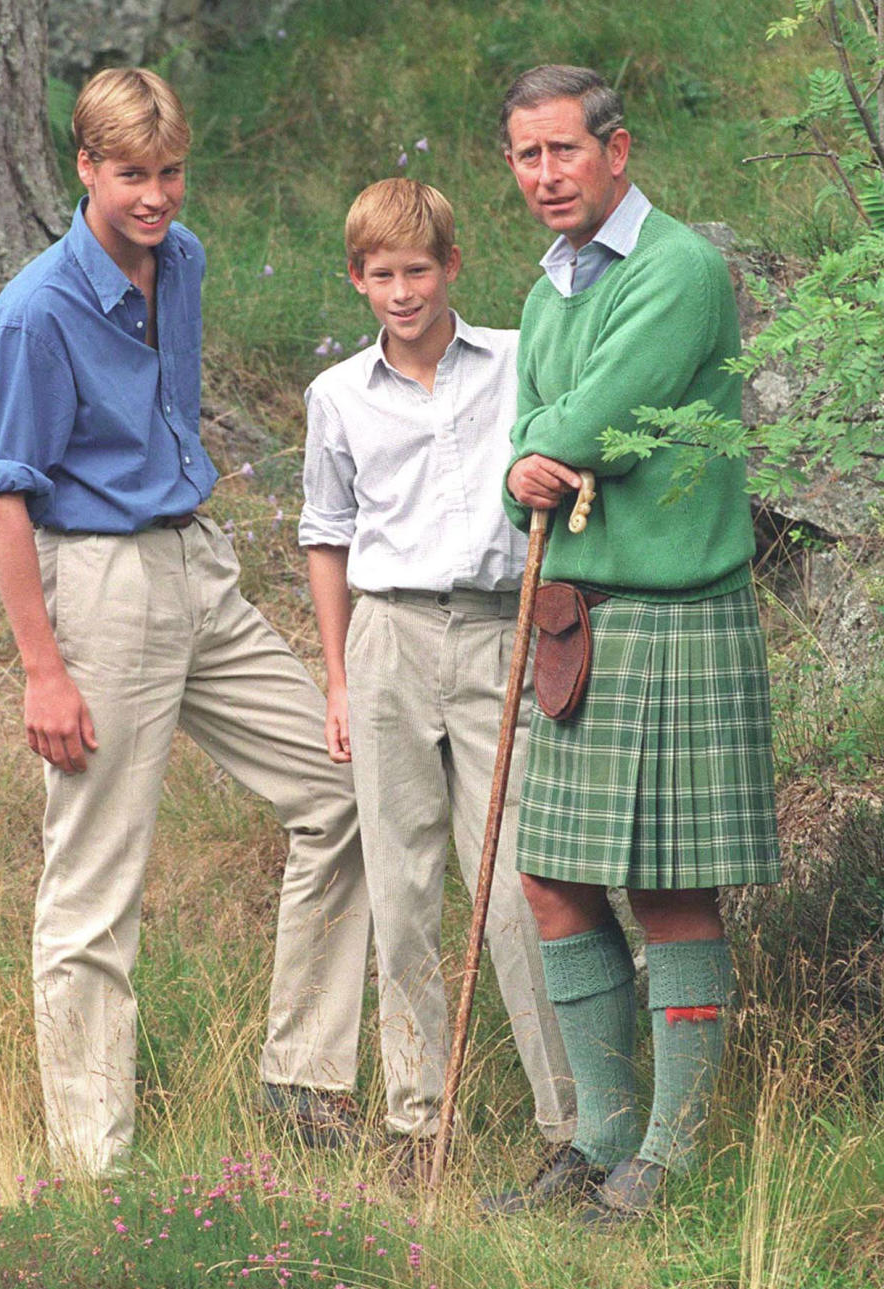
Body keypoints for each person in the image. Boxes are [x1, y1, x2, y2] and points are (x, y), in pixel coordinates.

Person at [0, 67, 371, 1177]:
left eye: (171, 171)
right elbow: (1, 496)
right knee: (96, 884)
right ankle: (93, 1173)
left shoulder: (180, 260)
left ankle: (303, 1080)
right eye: (132, 174)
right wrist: (42, 671)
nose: (155, 196)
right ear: (85, 168)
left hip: (198, 567)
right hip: (98, 588)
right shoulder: (34, 313)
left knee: (346, 792)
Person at [493, 65, 780, 1223]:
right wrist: (526, 462)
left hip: (672, 615)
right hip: (581, 619)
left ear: (619, 149)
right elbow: (524, 442)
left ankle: (670, 1152)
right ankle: (601, 1139)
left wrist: (536, 452)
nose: (548, 175)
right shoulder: (549, 284)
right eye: (527, 157)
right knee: (551, 877)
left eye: (566, 150)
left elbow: (589, 422)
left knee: (669, 889)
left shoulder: (680, 270)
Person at [299, 177, 576, 1186]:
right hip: (388, 639)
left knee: (517, 889)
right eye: (381, 274)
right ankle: (417, 1120)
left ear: (452, 267)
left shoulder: (514, 361)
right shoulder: (338, 396)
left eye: (419, 269)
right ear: (357, 280)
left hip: (500, 633)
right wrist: (337, 677)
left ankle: (572, 1123)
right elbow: (327, 537)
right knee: (404, 888)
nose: (403, 291)